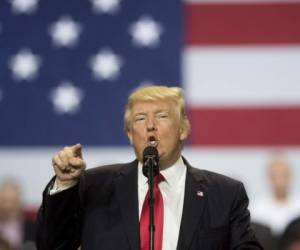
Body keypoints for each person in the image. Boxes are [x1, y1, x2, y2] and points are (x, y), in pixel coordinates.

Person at [36, 85, 262, 249]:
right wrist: (65, 184)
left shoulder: (224, 194)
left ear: (183, 129)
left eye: (162, 116)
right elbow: (51, 245)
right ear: (129, 134)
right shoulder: (94, 187)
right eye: (140, 119)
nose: (151, 126)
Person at [251, 154, 300, 237]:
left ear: (290, 176)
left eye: (283, 175)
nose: (279, 180)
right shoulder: (256, 208)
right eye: (275, 176)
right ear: (269, 177)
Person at [0, 179, 36, 250]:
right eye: (4, 201)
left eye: (13, 201)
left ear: (20, 202)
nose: (8, 206)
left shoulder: (34, 228)